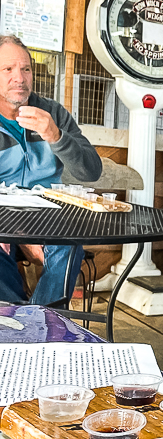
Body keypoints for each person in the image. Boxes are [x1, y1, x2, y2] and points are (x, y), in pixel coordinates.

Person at [0, 34, 102, 305]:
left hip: (49, 216)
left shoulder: (53, 113)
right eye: (7, 69)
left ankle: (40, 323)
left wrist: (56, 136)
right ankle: (19, 320)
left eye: (25, 69)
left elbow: (91, 171)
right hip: (2, 219)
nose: (19, 78)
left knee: (70, 242)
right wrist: (17, 234)